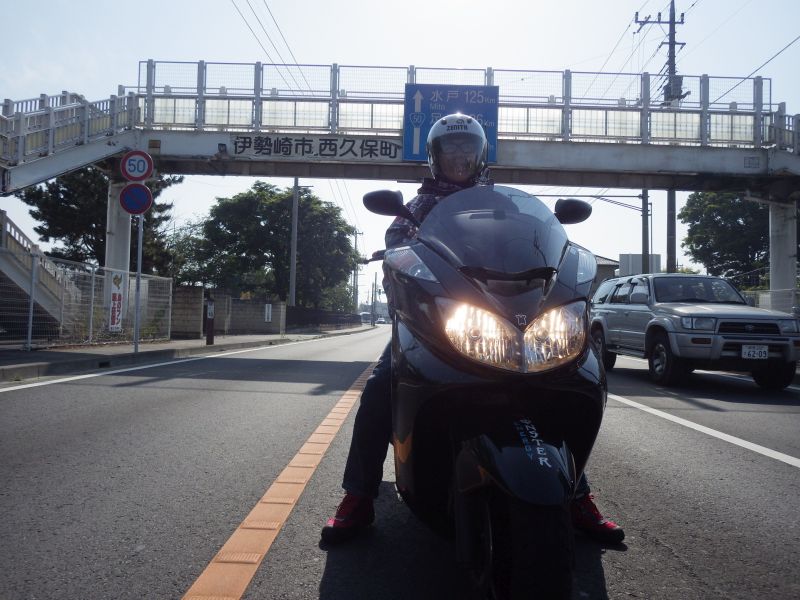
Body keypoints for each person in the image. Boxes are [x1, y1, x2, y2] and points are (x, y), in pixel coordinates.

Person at [321, 114, 624, 545]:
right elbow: (397, 254)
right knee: (380, 387)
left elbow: (542, 245)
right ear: (436, 155)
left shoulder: (507, 205)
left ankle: (576, 495)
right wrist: (399, 267)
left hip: (512, 318)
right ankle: (359, 495)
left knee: (568, 379)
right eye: (451, 148)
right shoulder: (416, 210)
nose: (459, 155)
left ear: (480, 154)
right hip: (439, 322)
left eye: (467, 147)